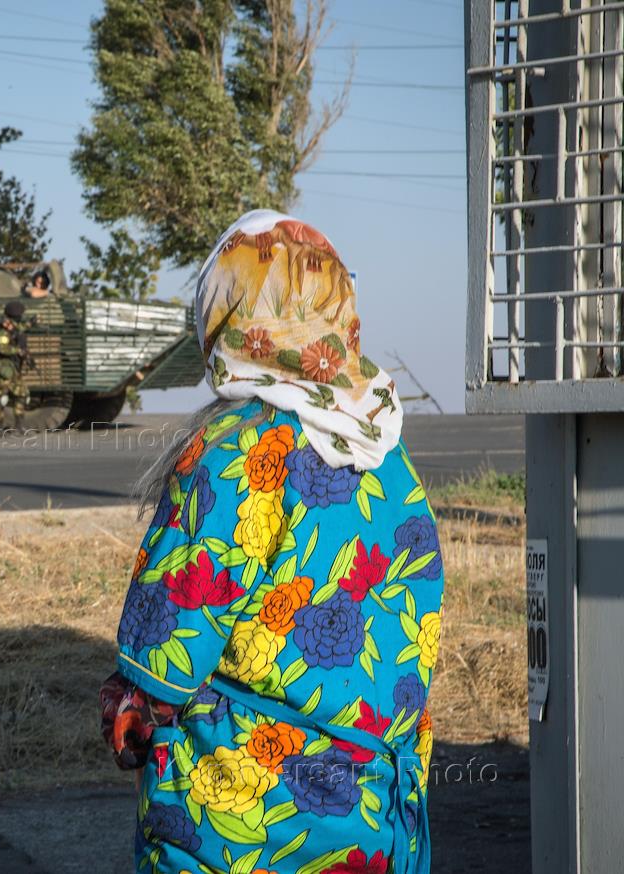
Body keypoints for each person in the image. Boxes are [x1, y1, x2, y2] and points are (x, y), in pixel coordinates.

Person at [101, 210, 438, 874]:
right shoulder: (388, 453)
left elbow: (166, 652)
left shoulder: (233, 451)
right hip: (375, 819)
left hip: (242, 828)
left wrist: (129, 712)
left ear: (226, 318)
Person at [0, 300, 30, 429]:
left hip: (13, 367)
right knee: (0, 398)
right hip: (2, 367)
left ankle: (19, 426)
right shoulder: (3, 329)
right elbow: (2, 348)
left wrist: (31, 323)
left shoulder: (13, 326)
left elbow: (19, 329)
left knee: (22, 394)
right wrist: (18, 351)